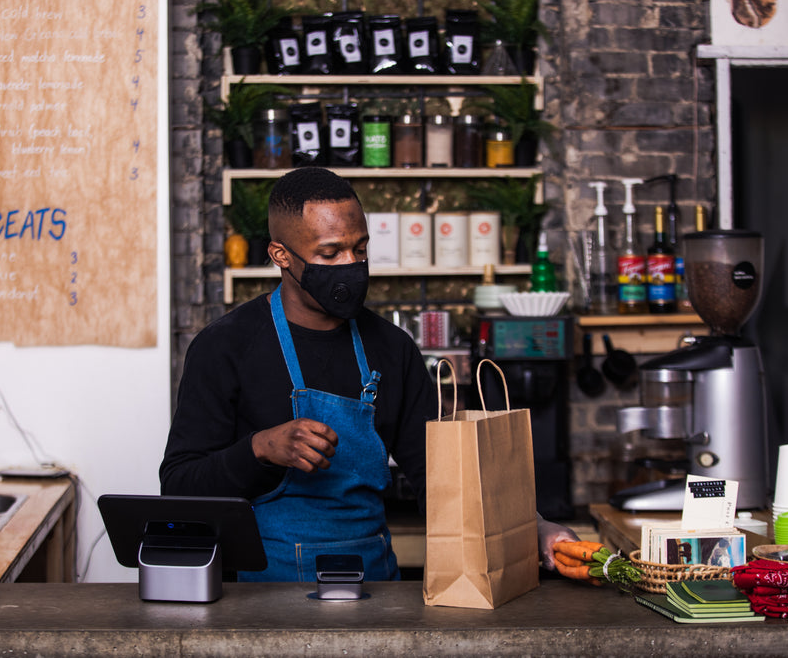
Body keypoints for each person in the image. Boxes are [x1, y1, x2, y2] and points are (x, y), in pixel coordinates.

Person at [160, 166, 576, 581]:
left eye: (360, 249)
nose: (352, 265)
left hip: (372, 589)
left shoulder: (391, 348)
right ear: (281, 256)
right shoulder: (224, 346)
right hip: (261, 594)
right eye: (330, 253)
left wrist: (532, 527)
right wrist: (261, 448)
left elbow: (443, 478)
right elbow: (179, 487)